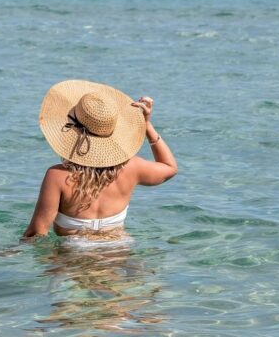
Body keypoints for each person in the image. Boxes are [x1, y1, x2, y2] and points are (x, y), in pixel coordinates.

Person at [23, 79, 177, 241]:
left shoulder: (58, 176)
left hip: (72, 257)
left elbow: (36, 233)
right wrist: (146, 126)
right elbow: (170, 167)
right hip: (118, 249)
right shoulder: (133, 167)